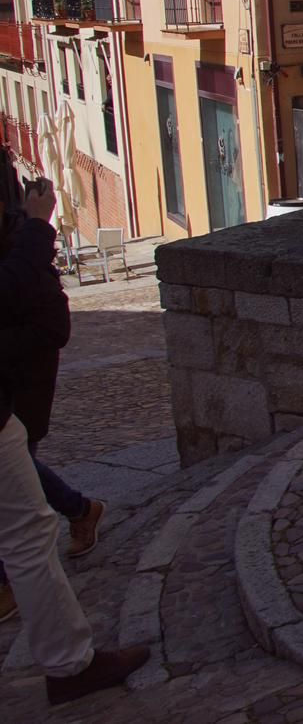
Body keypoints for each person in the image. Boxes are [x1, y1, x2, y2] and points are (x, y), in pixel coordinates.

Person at [0, 162, 147, 705]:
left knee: (27, 529)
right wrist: (38, 226)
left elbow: (47, 320)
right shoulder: (25, 240)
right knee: (27, 535)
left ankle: (69, 661)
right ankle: (68, 664)